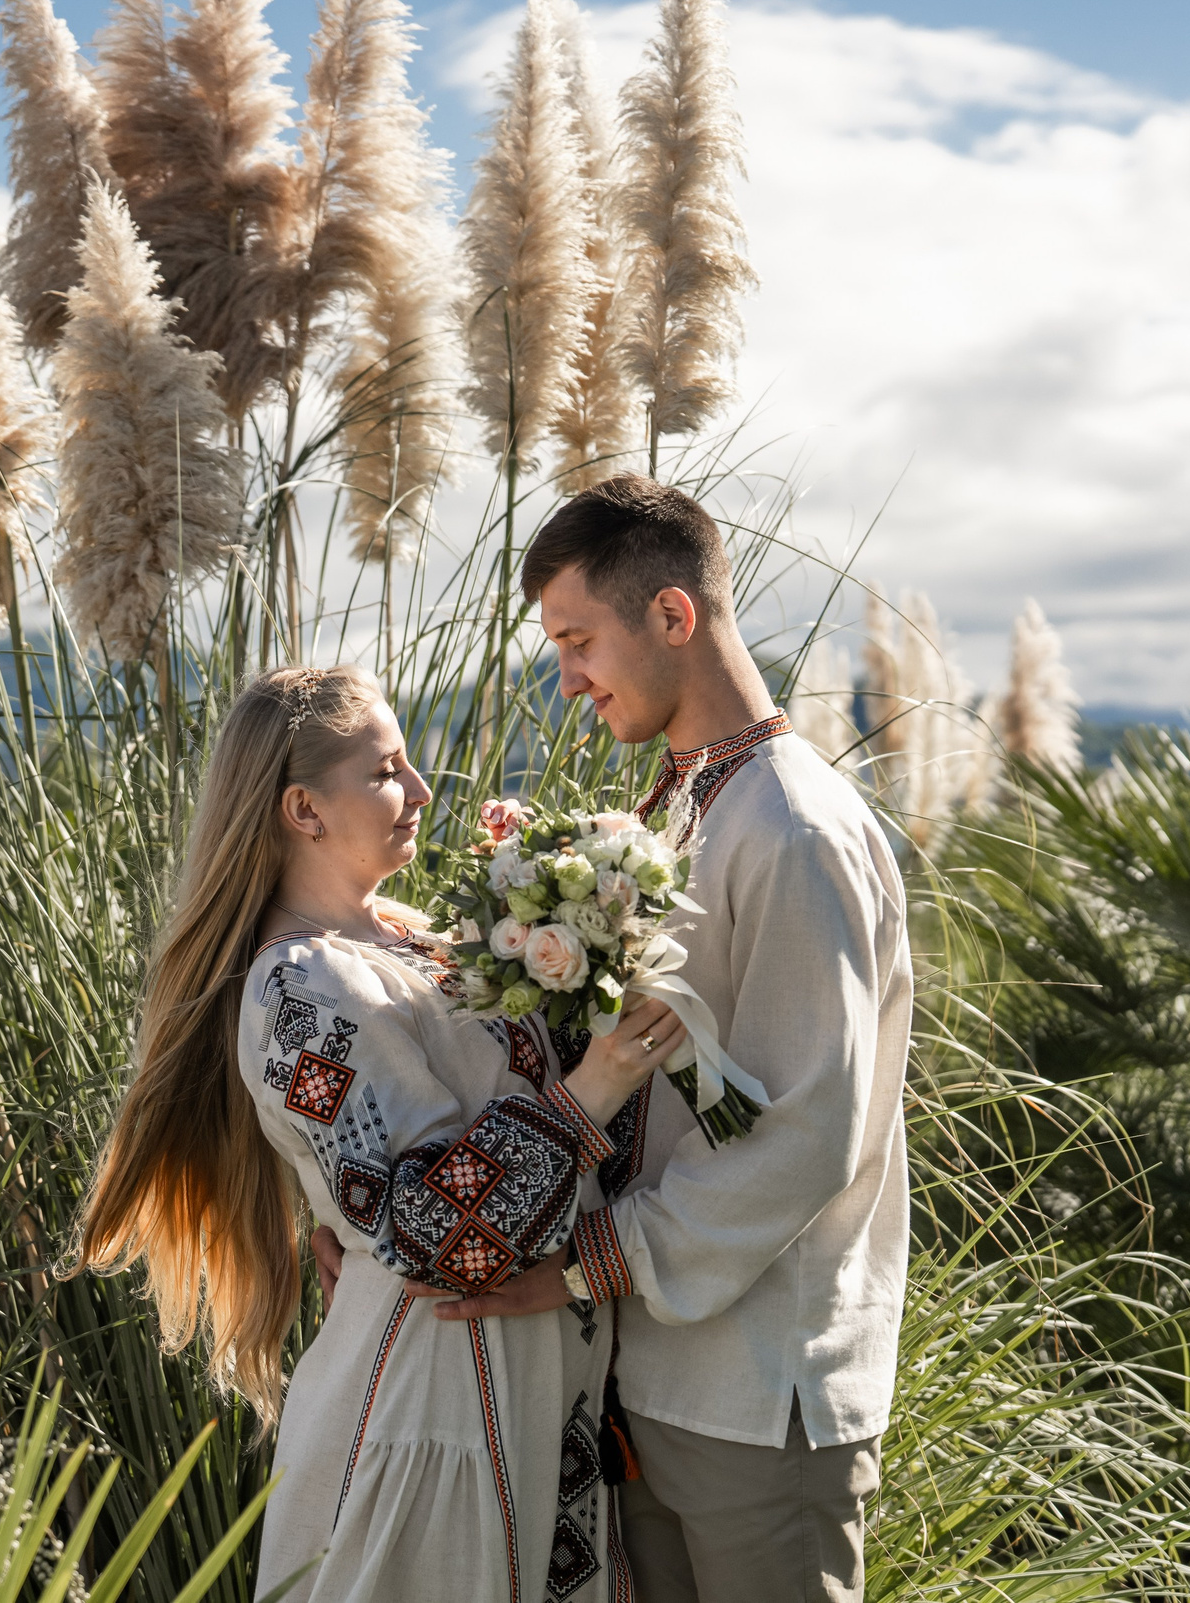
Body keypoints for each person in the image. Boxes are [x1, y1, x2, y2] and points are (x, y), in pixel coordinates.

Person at [323, 474, 914, 1602]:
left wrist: (586, 1266)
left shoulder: (789, 825)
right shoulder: (684, 805)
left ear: (673, 617)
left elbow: (809, 1130)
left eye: (579, 640)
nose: (569, 678)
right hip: (657, 1370)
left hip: (763, 1388)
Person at [77, 665, 691, 1603]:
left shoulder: (413, 940)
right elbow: (434, 1238)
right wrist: (594, 1087)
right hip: (435, 1400)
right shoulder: (297, 992)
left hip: (530, 1394)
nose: (421, 790)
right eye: (386, 771)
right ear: (303, 809)